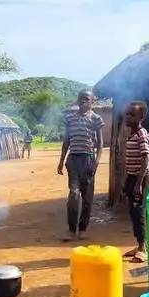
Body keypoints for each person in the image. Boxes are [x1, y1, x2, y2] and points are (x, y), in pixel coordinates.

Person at [57, 90, 104, 241]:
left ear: (92, 102)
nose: (83, 101)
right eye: (81, 99)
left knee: (87, 197)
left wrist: (96, 162)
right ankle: (72, 229)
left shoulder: (96, 118)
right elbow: (66, 141)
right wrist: (61, 161)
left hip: (89, 160)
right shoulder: (70, 118)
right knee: (74, 194)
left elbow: (100, 143)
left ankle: (83, 228)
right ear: (77, 101)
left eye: (87, 99)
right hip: (73, 160)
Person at [121, 102, 149, 263]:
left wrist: (139, 184)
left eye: (131, 114)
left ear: (141, 117)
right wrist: (128, 180)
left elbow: (146, 159)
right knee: (133, 212)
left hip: (142, 177)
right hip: (133, 177)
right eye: (126, 113)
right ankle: (139, 243)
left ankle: (143, 249)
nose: (127, 116)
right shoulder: (131, 134)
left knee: (138, 211)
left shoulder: (141, 134)